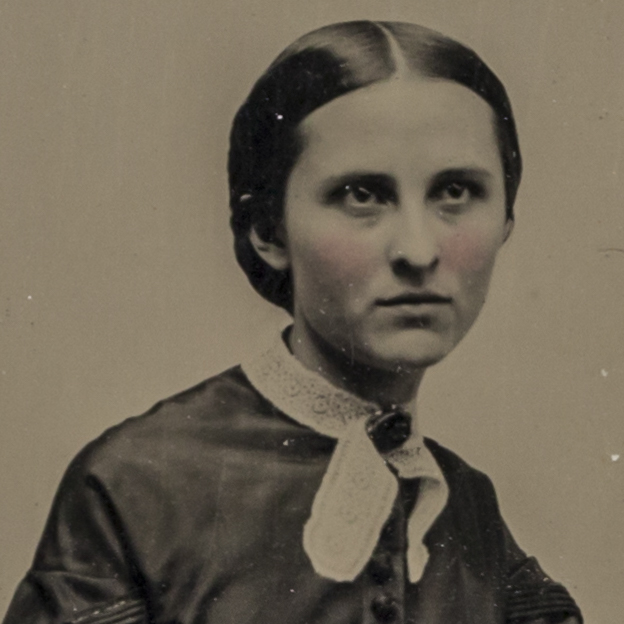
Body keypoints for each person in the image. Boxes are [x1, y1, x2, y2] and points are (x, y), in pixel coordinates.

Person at [3, 21, 583, 624]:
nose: (418, 250)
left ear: (506, 219)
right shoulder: (134, 487)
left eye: (456, 191)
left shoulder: (470, 510)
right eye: (362, 195)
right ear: (269, 231)